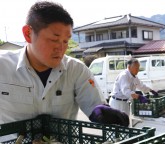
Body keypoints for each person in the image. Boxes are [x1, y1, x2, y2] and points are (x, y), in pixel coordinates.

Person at [0, 1, 129, 127]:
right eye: (54, 40)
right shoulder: (3, 66)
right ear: (28, 34)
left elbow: (95, 107)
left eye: (66, 41)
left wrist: (103, 114)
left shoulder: (77, 70)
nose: (61, 48)